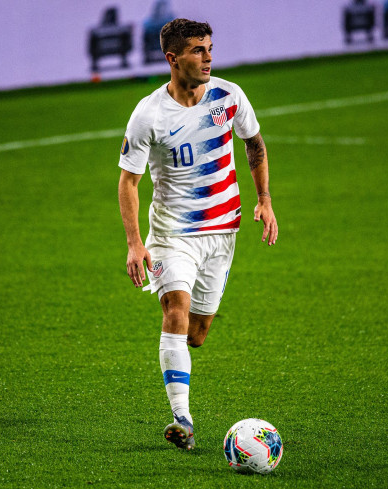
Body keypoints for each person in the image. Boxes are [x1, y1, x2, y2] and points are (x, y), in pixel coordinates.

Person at [117, 18, 278, 451]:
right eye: (197, 50)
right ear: (173, 59)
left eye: (209, 48)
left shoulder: (229, 96)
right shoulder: (148, 114)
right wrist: (135, 243)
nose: (208, 57)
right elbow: (128, 181)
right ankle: (182, 419)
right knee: (176, 311)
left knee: (197, 331)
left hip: (223, 232)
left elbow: (255, 143)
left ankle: (177, 355)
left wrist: (264, 198)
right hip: (173, 236)